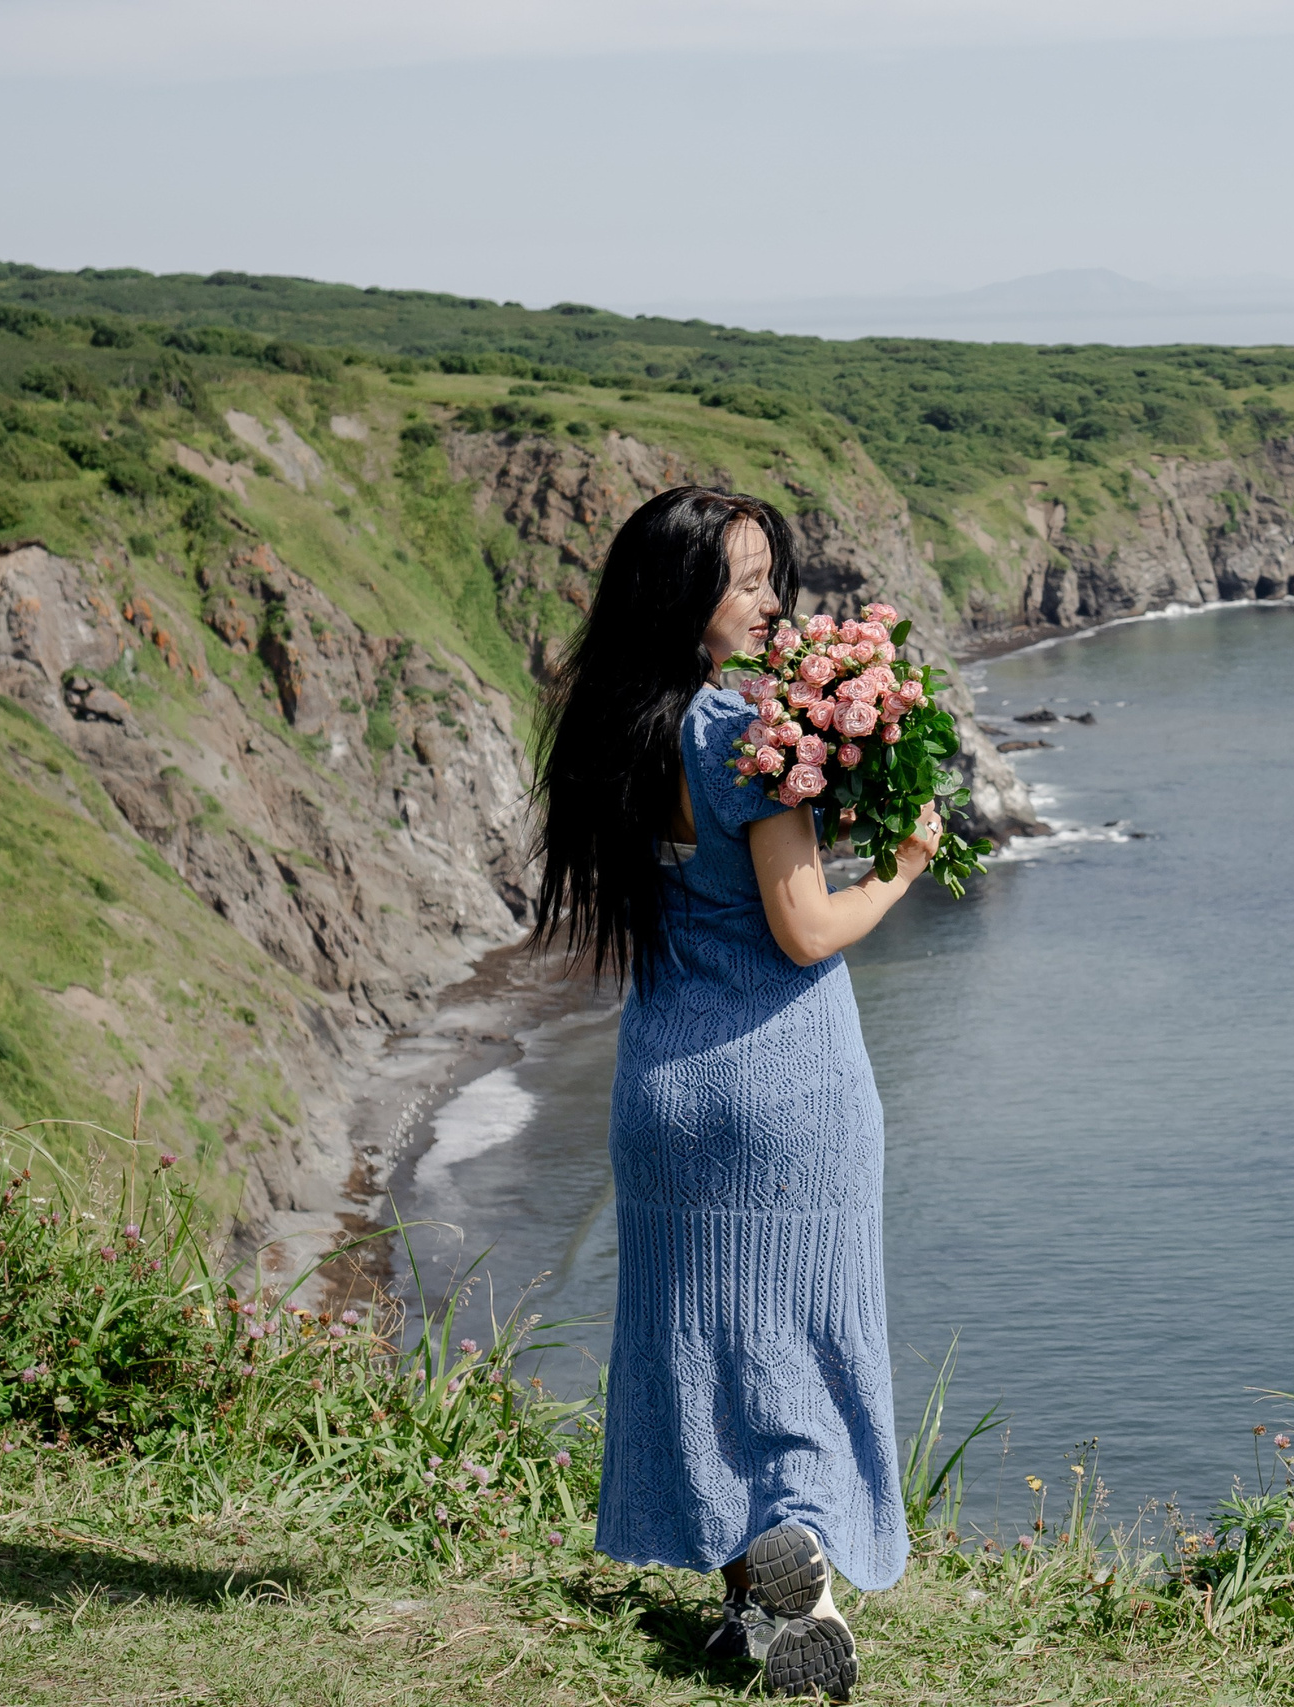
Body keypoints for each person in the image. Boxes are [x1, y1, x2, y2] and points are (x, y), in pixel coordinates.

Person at [532, 485, 942, 1702]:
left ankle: (750, 1601)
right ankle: (802, 1562)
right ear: (685, 602)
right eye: (748, 581)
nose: (774, 601)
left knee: (700, 1340)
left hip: (663, 1087)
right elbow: (805, 928)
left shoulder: (616, 731)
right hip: (784, 1087)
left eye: (773, 576)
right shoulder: (740, 736)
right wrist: (910, 861)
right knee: (806, 1339)